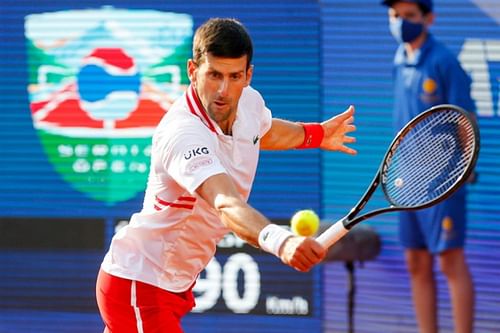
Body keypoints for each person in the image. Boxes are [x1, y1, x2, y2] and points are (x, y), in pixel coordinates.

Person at [95, 17, 357, 333]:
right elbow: (225, 203)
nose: (223, 90)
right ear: (193, 71)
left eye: (234, 77)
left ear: (248, 75)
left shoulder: (249, 101)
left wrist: (315, 135)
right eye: (214, 75)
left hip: (171, 283)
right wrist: (281, 241)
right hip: (140, 284)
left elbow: (263, 131)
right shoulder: (183, 134)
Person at [381, 1, 476, 332]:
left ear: (429, 19)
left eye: (409, 15)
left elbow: (465, 121)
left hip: (444, 183)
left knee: (450, 262)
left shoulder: (445, 62)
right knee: (415, 262)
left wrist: (461, 172)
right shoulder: (399, 60)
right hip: (407, 182)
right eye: (395, 15)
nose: (400, 22)